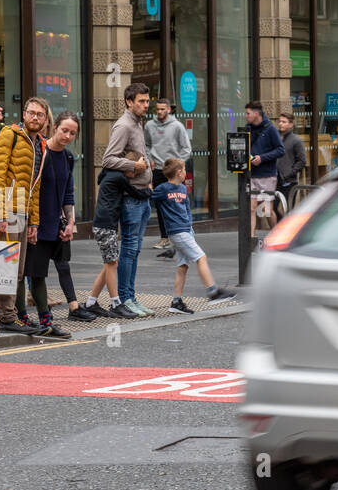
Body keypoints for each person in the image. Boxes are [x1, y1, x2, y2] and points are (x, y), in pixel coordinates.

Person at [87, 83, 153, 318]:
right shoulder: (124, 125)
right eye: (141, 101)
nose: (146, 105)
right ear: (129, 101)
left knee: (134, 251)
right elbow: (108, 160)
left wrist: (149, 178)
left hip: (142, 195)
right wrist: (134, 166)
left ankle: (131, 297)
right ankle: (125, 298)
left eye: (147, 101)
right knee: (129, 249)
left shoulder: (137, 123)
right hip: (131, 198)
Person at [0, 96, 50, 333]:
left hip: (22, 212)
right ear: (23, 115)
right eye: (31, 113)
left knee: (17, 270)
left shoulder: (40, 145)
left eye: (39, 114)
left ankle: (12, 318)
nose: (35, 117)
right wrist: (1, 213)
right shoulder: (9, 135)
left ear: (45, 119)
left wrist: (34, 221)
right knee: (4, 267)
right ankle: (7, 320)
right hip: (7, 211)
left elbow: (35, 187)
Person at [152, 158, 234, 313]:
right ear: (179, 172)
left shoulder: (183, 189)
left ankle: (176, 302)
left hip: (186, 230)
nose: (185, 172)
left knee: (182, 266)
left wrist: (190, 228)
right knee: (201, 257)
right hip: (177, 232)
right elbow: (149, 196)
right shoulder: (163, 189)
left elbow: (187, 209)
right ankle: (213, 292)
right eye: (184, 169)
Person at [36, 111, 93, 326]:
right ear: (55, 128)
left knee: (63, 264)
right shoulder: (41, 152)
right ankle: (43, 315)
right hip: (39, 220)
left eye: (72, 133)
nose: (67, 136)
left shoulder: (68, 157)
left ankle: (74, 307)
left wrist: (70, 222)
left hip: (58, 219)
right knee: (38, 269)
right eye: (64, 130)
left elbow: (68, 192)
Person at [145, 98, 191, 255]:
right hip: (157, 169)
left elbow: (186, 148)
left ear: (169, 109)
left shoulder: (177, 126)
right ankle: (164, 237)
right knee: (160, 205)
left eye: (163, 109)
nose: (159, 112)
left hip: (172, 172)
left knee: (177, 203)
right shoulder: (149, 125)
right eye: (157, 109)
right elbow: (146, 145)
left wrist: (178, 165)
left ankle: (181, 235)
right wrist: (148, 158)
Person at [244, 101, 283, 236]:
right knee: (252, 209)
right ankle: (251, 239)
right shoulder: (247, 128)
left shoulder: (270, 129)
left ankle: (277, 235)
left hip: (267, 175)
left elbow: (280, 150)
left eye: (248, 113)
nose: (246, 116)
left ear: (256, 114)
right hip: (252, 174)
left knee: (266, 210)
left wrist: (262, 158)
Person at [275, 111, 306, 218]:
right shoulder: (275, 138)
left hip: (288, 181)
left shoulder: (296, 141)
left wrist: (290, 173)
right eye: (279, 121)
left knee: (288, 210)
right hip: (274, 179)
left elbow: (302, 161)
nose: (280, 124)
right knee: (271, 208)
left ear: (291, 124)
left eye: (284, 122)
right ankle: (278, 228)